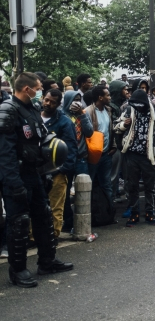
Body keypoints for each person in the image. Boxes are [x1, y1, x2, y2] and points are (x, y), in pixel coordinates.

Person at [0, 72, 73, 288]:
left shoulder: (31, 109)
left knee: (44, 217)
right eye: (38, 88)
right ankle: (18, 270)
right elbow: (5, 153)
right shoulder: (8, 111)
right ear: (26, 89)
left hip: (35, 174)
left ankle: (47, 261)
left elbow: (41, 142)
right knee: (19, 223)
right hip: (17, 176)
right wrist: (13, 184)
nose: (40, 92)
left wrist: (47, 171)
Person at [115, 90, 155, 227]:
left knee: (150, 186)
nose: (137, 106)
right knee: (132, 186)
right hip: (131, 155)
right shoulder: (128, 110)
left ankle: (150, 213)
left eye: (139, 104)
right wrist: (124, 124)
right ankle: (134, 214)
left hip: (148, 156)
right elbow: (116, 127)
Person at [41, 89, 77, 237]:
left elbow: (71, 150)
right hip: (38, 171)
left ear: (58, 104)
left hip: (57, 173)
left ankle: (53, 237)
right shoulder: (34, 117)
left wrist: (60, 171)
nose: (48, 104)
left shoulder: (65, 122)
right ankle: (33, 237)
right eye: (46, 100)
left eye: (52, 102)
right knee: (36, 206)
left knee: (55, 207)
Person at [62, 91, 94, 233]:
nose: (77, 103)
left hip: (81, 158)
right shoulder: (62, 115)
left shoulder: (82, 114)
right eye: (74, 100)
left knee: (83, 190)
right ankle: (67, 221)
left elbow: (89, 132)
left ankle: (83, 221)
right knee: (65, 192)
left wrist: (82, 114)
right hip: (66, 159)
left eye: (79, 100)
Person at [85, 86, 117, 215]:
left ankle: (109, 213)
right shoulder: (88, 111)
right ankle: (89, 213)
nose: (110, 97)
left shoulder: (108, 110)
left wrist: (113, 146)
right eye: (107, 95)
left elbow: (110, 130)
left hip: (106, 154)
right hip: (92, 155)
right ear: (100, 97)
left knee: (107, 184)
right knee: (89, 184)